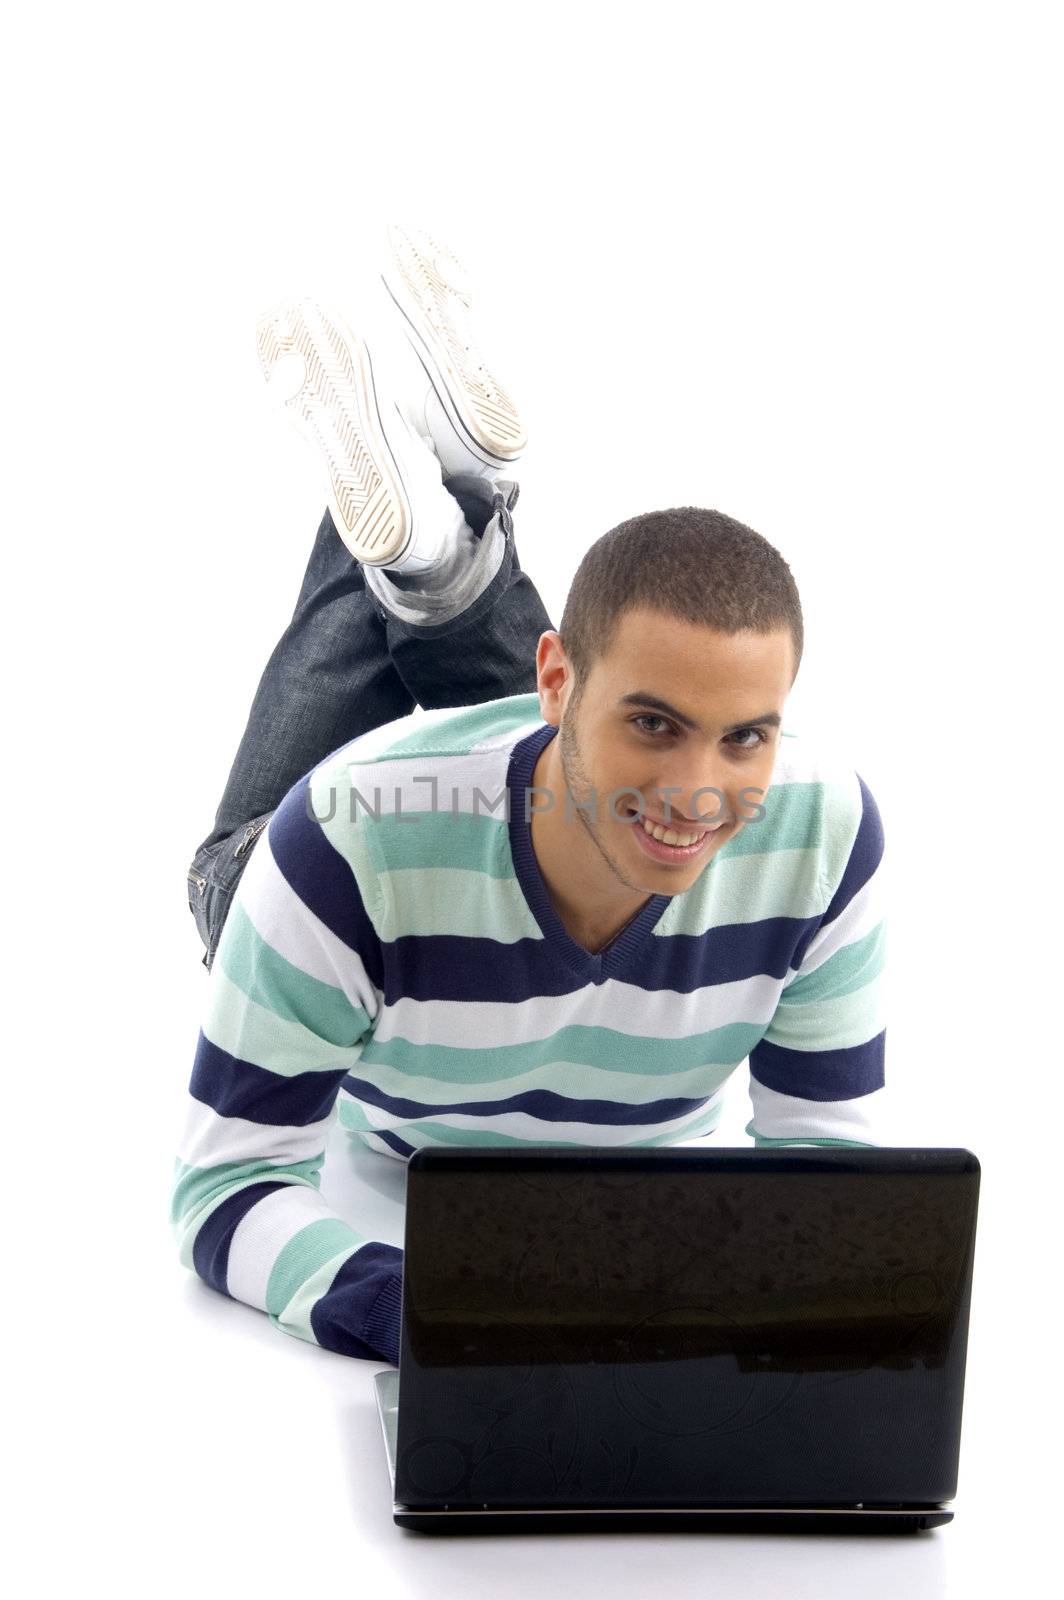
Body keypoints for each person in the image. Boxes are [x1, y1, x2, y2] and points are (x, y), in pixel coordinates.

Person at [172, 225, 888, 1370]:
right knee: (235, 871)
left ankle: (444, 535)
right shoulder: (344, 843)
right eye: (657, 723)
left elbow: (828, 1174)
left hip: (507, 791)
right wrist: (442, 1310)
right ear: (550, 679)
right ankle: (454, 518)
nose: (700, 791)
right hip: (304, 880)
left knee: (591, 780)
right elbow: (227, 1183)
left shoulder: (820, 834)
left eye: (744, 735)